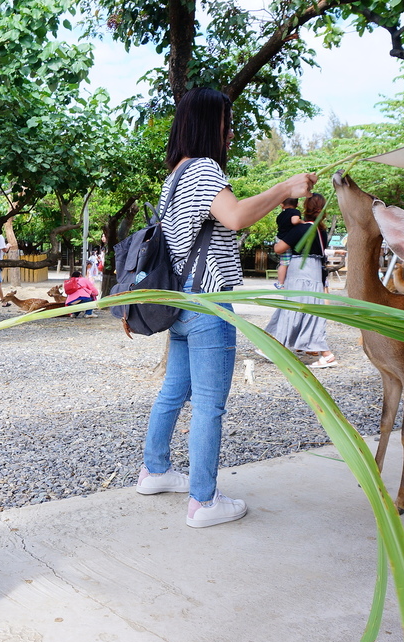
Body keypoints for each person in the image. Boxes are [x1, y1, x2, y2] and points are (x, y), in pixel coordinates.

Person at [134, 87, 317, 528]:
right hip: (209, 301)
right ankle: (204, 501)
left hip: (180, 299)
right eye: (225, 123)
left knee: (174, 391)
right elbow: (235, 216)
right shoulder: (204, 169)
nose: (230, 132)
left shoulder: (175, 175)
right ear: (207, 125)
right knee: (210, 403)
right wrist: (284, 188)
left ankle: (154, 471)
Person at [264, 193, 337, 367]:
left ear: (305, 208)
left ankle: (278, 346)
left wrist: (279, 239)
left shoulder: (301, 229)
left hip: (301, 271)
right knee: (309, 310)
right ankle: (281, 345)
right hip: (315, 272)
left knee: (293, 307)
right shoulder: (321, 231)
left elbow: (280, 249)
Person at [273, 197, 302, 289]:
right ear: (297, 204)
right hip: (287, 240)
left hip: (279, 239)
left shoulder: (280, 215)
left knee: (284, 262)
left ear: (282, 204)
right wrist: (303, 222)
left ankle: (280, 283)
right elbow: (295, 221)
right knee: (286, 263)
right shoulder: (295, 212)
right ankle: (281, 284)